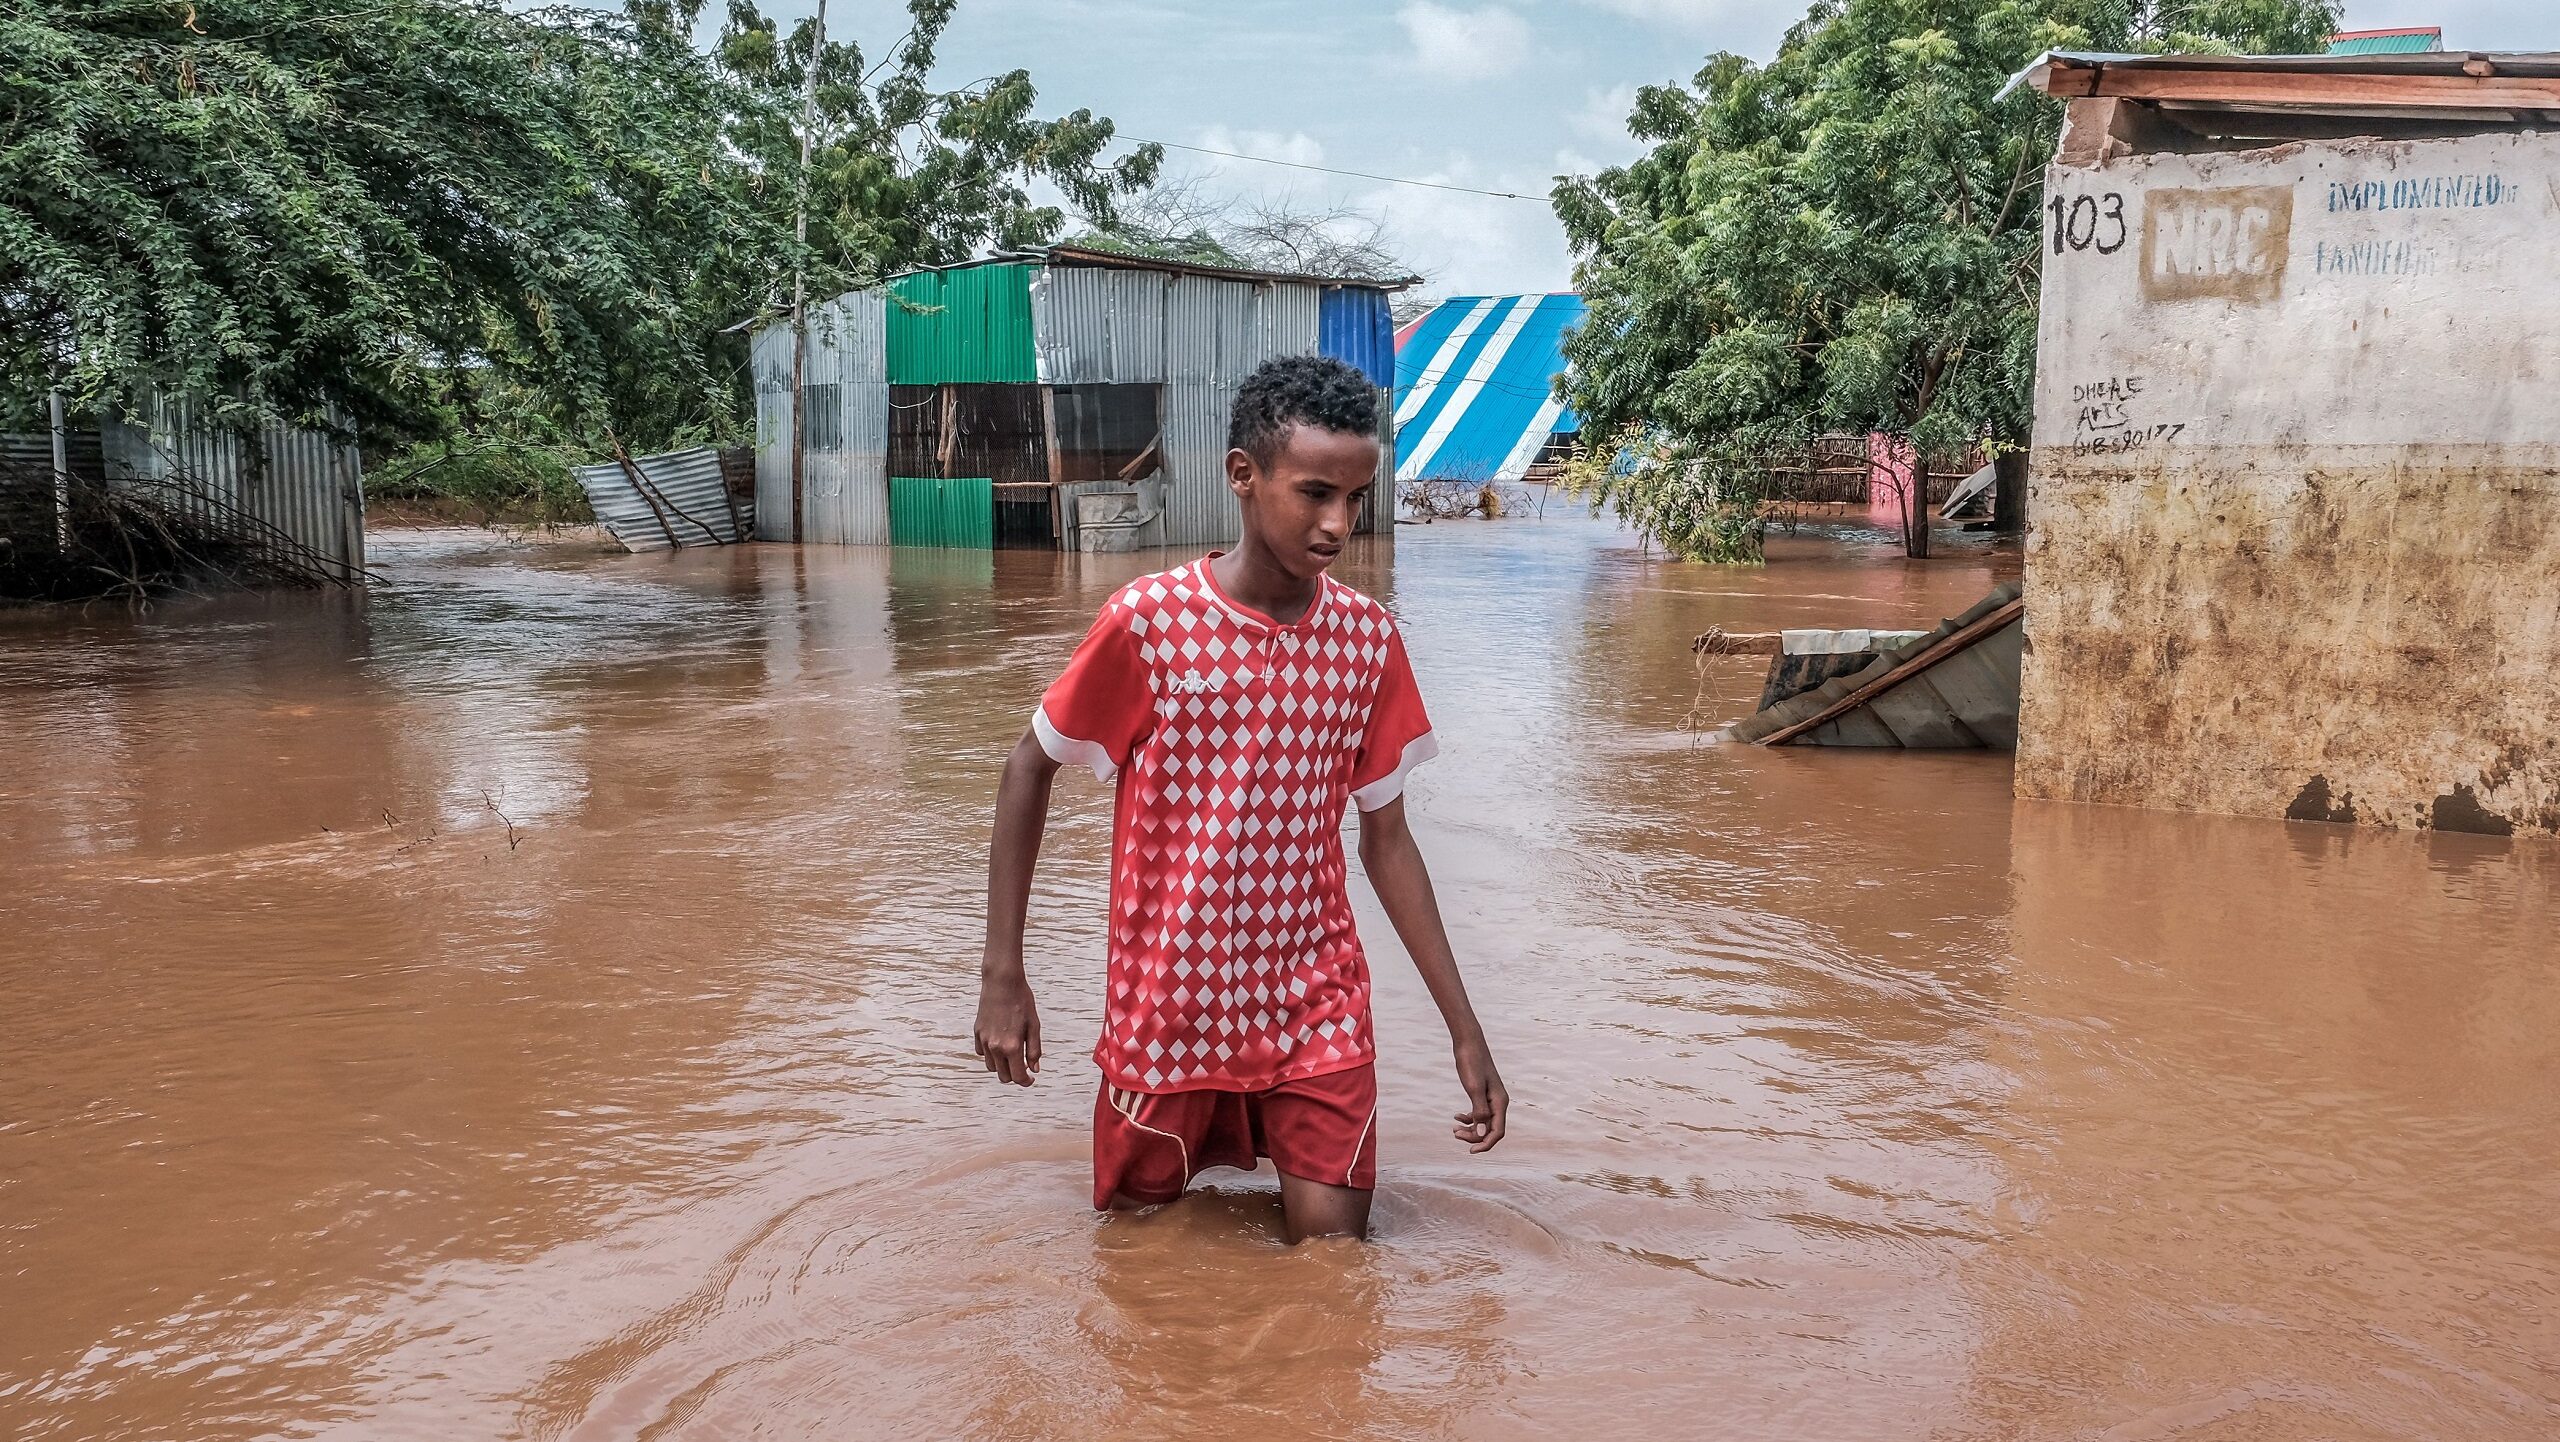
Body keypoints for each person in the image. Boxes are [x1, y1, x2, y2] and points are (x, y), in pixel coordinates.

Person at [974, 353, 1508, 1243]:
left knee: (1334, 1269)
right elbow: (1030, 767)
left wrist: (1466, 1027)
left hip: (1316, 1002)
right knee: (1142, 1263)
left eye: (1356, 498)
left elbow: (1388, 844)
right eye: (1314, 494)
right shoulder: (1150, 623)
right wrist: (1003, 973)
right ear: (1242, 476)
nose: (1338, 524)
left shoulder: (1368, 642)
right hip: (1168, 1004)